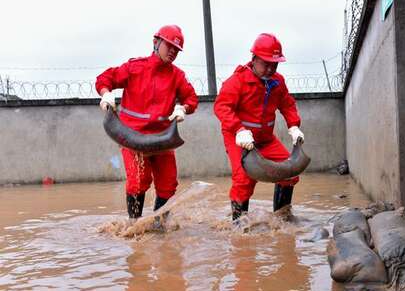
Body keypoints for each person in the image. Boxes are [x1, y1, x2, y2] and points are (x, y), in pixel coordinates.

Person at [96, 25, 198, 219]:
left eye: (176, 49)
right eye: (169, 46)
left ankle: (160, 227)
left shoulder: (177, 76)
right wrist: (106, 93)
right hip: (132, 137)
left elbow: (191, 99)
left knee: (168, 184)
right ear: (156, 42)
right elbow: (104, 78)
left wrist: (183, 108)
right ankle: (134, 227)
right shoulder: (135, 68)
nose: (173, 52)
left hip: (162, 139)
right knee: (138, 181)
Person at [214, 33, 305, 222]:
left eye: (275, 64)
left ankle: (282, 219)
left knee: (289, 172)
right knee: (243, 179)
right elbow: (221, 107)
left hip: (265, 139)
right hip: (238, 138)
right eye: (266, 63)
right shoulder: (237, 81)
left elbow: (287, 104)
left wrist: (294, 126)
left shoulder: (277, 82)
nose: (271, 68)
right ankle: (239, 226)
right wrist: (239, 130)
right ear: (254, 59)